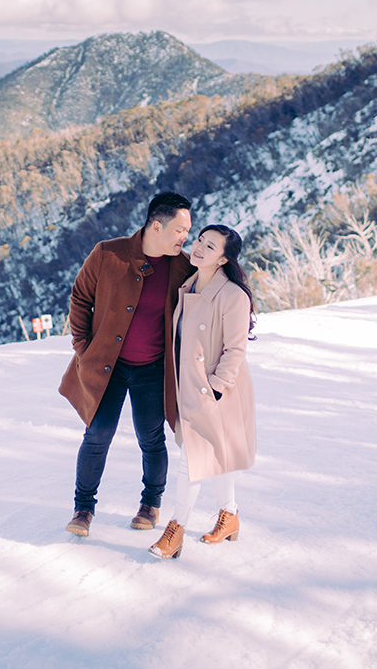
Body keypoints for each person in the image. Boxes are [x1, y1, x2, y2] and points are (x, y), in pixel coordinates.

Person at [59, 192, 195, 536]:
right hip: (108, 367)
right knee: (97, 434)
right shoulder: (108, 253)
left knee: (150, 438)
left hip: (153, 368)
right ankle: (83, 509)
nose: (185, 237)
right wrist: (83, 348)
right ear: (156, 226)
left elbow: (215, 295)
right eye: (180, 230)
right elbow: (80, 298)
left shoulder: (184, 267)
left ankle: (150, 503)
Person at [149, 224, 257, 560]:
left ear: (223, 259)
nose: (198, 248)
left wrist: (216, 389)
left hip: (216, 392)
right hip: (189, 386)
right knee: (213, 454)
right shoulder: (189, 285)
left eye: (210, 247)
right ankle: (230, 515)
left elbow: (235, 350)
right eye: (199, 241)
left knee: (193, 460)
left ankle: (176, 529)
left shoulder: (233, 296)